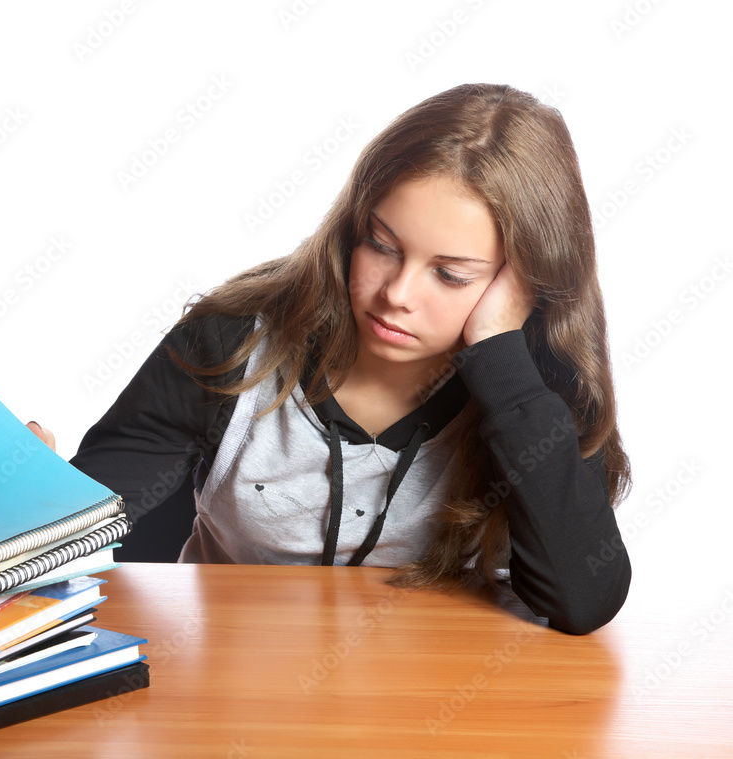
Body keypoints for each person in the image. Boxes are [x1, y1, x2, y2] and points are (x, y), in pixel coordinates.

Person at [31, 83, 632, 635]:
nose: (396, 294)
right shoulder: (229, 341)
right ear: (352, 227)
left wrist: (503, 366)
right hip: (229, 693)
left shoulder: (533, 388)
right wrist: (23, 507)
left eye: (450, 274)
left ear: (525, 284)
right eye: (382, 245)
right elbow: (80, 543)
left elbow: (582, 603)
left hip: (444, 704)